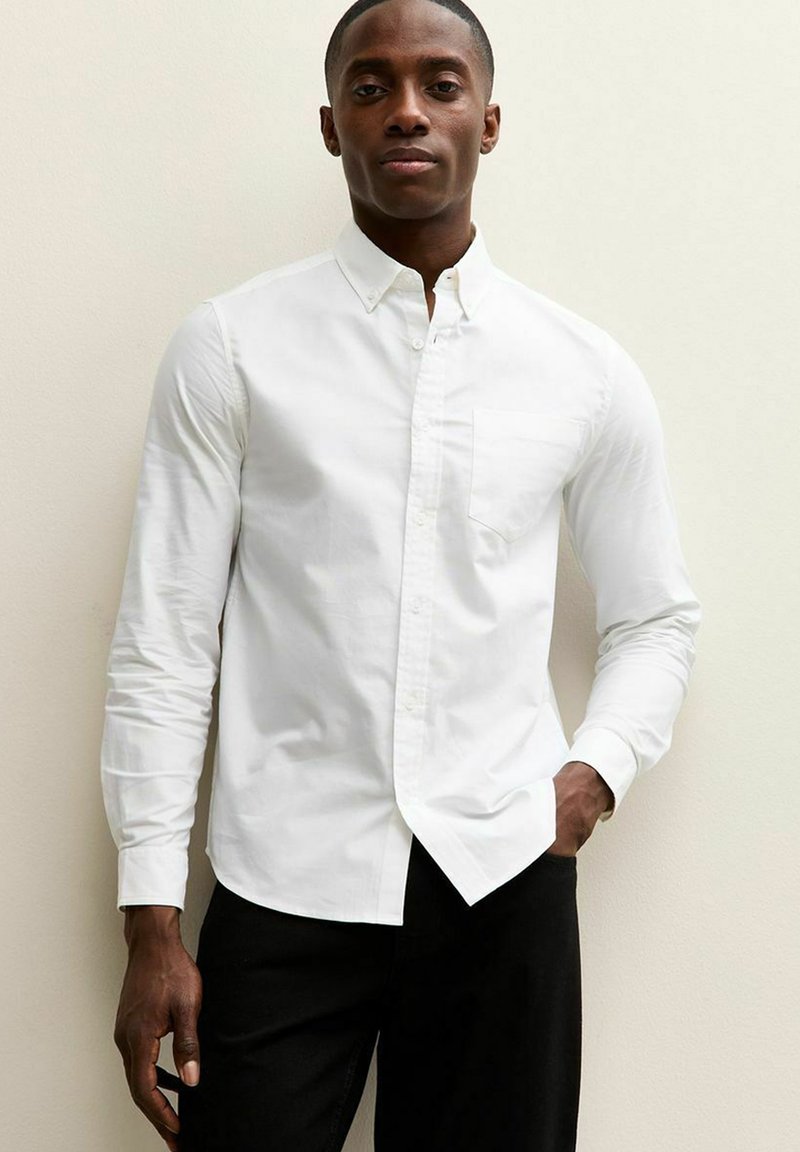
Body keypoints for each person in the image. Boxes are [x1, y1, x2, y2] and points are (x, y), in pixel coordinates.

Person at [101, 1, 701, 1149]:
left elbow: (655, 618)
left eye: (440, 83)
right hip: (284, 883)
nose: (407, 111)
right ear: (333, 126)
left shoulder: (580, 371)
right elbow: (163, 640)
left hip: (501, 880)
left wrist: (588, 779)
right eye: (371, 88)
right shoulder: (232, 347)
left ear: (487, 120)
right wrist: (151, 920)